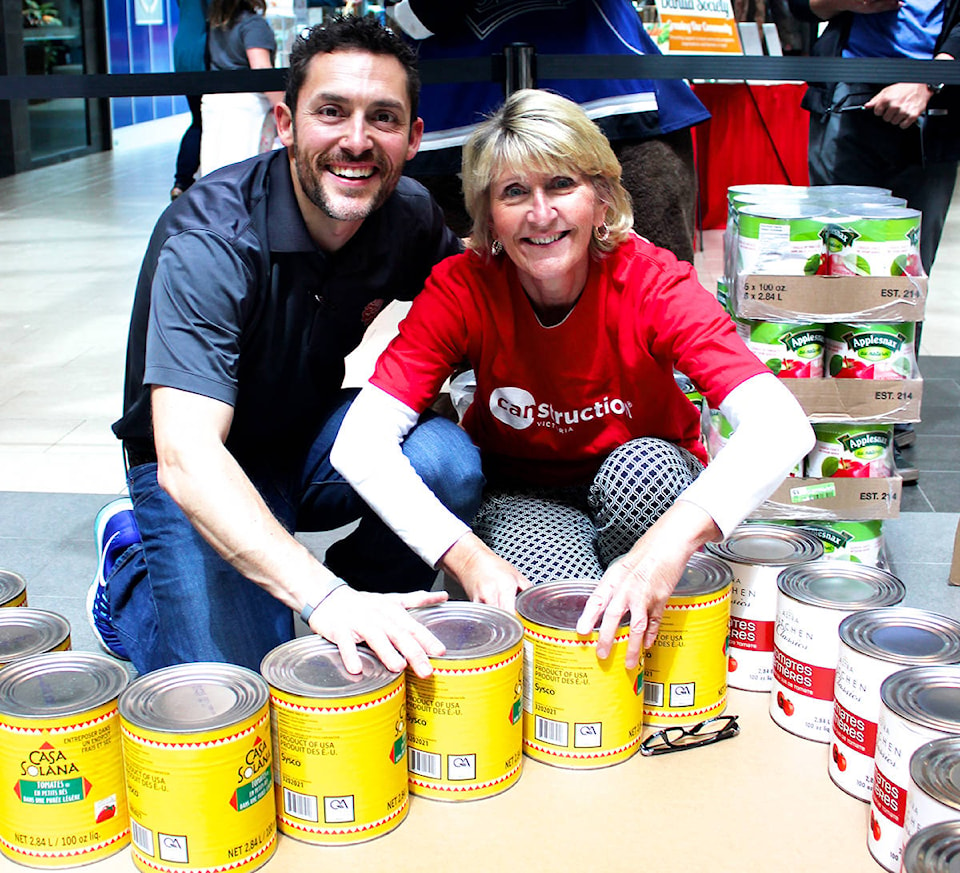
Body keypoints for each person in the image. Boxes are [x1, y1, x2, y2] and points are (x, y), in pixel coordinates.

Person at [331, 89, 815, 668]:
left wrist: (666, 547)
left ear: (602, 199)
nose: (541, 213)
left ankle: (652, 591)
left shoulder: (653, 282)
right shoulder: (462, 287)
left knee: (645, 473)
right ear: (488, 217)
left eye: (561, 185)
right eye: (514, 193)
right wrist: (467, 557)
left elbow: (783, 427)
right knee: (567, 635)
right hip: (525, 493)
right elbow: (359, 445)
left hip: (648, 489)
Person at [88, 15, 484, 678]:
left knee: (446, 457)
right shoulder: (211, 239)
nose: (356, 141)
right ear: (286, 123)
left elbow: (479, 303)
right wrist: (320, 598)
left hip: (307, 438)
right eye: (332, 111)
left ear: (413, 137)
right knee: (234, 686)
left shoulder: (406, 214)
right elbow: (187, 457)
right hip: (198, 464)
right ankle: (128, 570)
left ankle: (367, 597)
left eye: (382, 117)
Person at [388, 0, 711, 263]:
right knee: (466, 287)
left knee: (650, 274)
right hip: (455, 101)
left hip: (611, 88)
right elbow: (420, 15)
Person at [791, 0, 959, 472]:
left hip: (936, 103)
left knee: (903, 276)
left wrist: (928, 78)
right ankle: (818, 417)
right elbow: (797, 7)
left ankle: (886, 424)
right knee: (833, 266)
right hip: (846, 95)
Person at [199, 0, 282, 176]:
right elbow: (261, 70)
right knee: (244, 172)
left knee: (215, 170)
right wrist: (285, 106)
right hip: (247, 106)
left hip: (215, 100)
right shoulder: (253, 24)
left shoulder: (217, 25)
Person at [171, 0, 209, 200]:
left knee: (197, 120)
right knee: (202, 122)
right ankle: (185, 180)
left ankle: (181, 181)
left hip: (183, 50)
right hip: (201, 52)